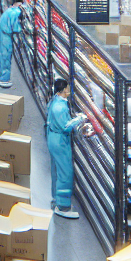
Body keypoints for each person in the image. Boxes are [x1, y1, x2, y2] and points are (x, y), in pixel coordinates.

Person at [46, 78, 86, 219]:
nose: (69, 90)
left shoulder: (54, 101)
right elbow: (66, 127)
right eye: (68, 88)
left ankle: (56, 199)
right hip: (60, 141)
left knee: (56, 169)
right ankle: (63, 206)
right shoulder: (61, 107)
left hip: (52, 138)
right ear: (63, 90)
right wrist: (79, 119)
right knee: (65, 172)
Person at [0, 0, 23, 89]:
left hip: (3, 34)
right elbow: (15, 27)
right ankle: (4, 79)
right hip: (7, 36)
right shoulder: (16, 12)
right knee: (6, 58)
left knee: (1, 57)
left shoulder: (9, 10)